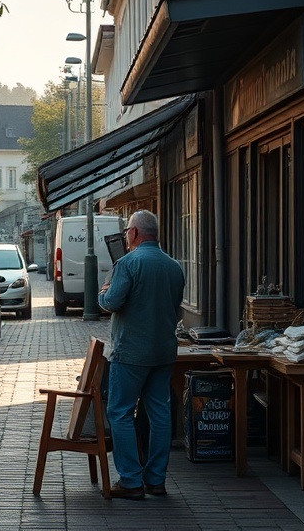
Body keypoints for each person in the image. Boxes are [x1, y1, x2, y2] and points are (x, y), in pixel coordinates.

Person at [97, 209, 185, 499]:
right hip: (163, 351)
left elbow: (111, 303)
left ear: (134, 233)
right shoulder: (174, 266)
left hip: (131, 351)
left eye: (127, 233)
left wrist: (103, 291)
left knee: (120, 412)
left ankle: (131, 481)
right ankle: (156, 480)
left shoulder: (128, 263)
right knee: (159, 413)